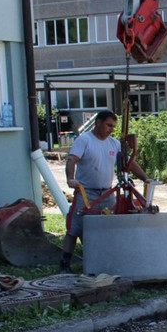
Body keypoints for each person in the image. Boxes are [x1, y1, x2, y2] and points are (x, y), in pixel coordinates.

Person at [60, 109, 152, 272]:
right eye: (108, 125)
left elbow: (129, 163)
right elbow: (72, 159)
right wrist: (70, 179)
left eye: (113, 126)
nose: (111, 129)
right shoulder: (84, 140)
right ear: (98, 123)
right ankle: (65, 264)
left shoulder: (114, 144)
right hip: (86, 192)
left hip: (107, 193)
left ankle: (108, 260)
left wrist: (145, 178)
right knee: (75, 227)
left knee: (110, 225)